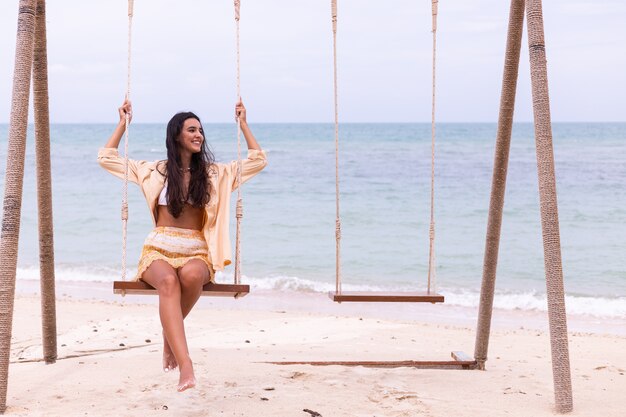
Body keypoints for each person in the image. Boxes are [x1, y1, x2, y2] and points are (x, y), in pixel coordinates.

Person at [98, 99, 267, 392]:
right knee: (167, 282)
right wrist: (123, 123)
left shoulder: (216, 173)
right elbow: (106, 157)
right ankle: (186, 365)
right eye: (191, 129)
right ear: (177, 135)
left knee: (190, 277)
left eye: (200, 130)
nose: (198, 134)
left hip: (196, 248)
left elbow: (258, 160)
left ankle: (169, 340)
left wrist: (243, 124)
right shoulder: (153, 171)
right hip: (158, 246)